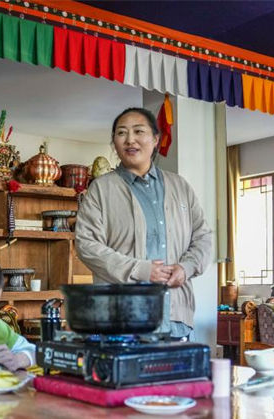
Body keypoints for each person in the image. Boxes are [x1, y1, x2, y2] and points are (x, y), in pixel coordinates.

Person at [74, 107, 213, 339]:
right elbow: (87, 246)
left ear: (155, 139)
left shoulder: (180, 186)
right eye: (121, 133)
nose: (130, 140)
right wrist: (141, 270)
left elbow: (203, 238)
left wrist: (186, 267)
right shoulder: (101, 188)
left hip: (174, 317)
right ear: (114, 143)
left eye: (139, 131)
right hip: (121, 321)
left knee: (175, 376)